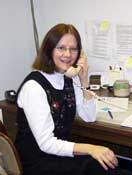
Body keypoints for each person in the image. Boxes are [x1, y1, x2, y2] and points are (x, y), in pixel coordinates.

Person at [15, 23, 120, 175]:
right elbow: (46, 143)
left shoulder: (69, 78)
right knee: (101, 167)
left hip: (59, 152)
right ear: (49, 50)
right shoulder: (34, 87)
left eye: (73, 49)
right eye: (61, 48)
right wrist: (90, 149)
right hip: (37, 160)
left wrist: (84, 79)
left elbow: (88, 117)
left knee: (106, 166)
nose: (68, 54)